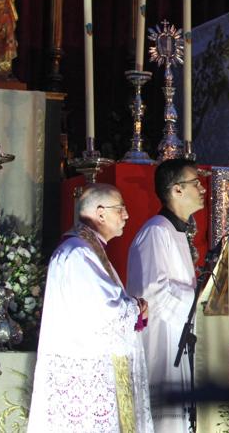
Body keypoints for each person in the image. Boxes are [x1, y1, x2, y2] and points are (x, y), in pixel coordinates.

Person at [27, 184, 153, 432]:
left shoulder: (87, 251)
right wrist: (137, 308)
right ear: (100, 212)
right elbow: (105, 313)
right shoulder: (78, 254)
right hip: (86, 375)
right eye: (121, 209)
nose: (126, 215)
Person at [126, 159, 206, 433]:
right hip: (163, 339)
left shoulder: (175, 232)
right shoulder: (156, 232)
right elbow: (152, 291)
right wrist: (200, 302)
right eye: (195, 183)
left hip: (178, 336)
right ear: (176, 190)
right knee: (165, 422)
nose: (202, 188)